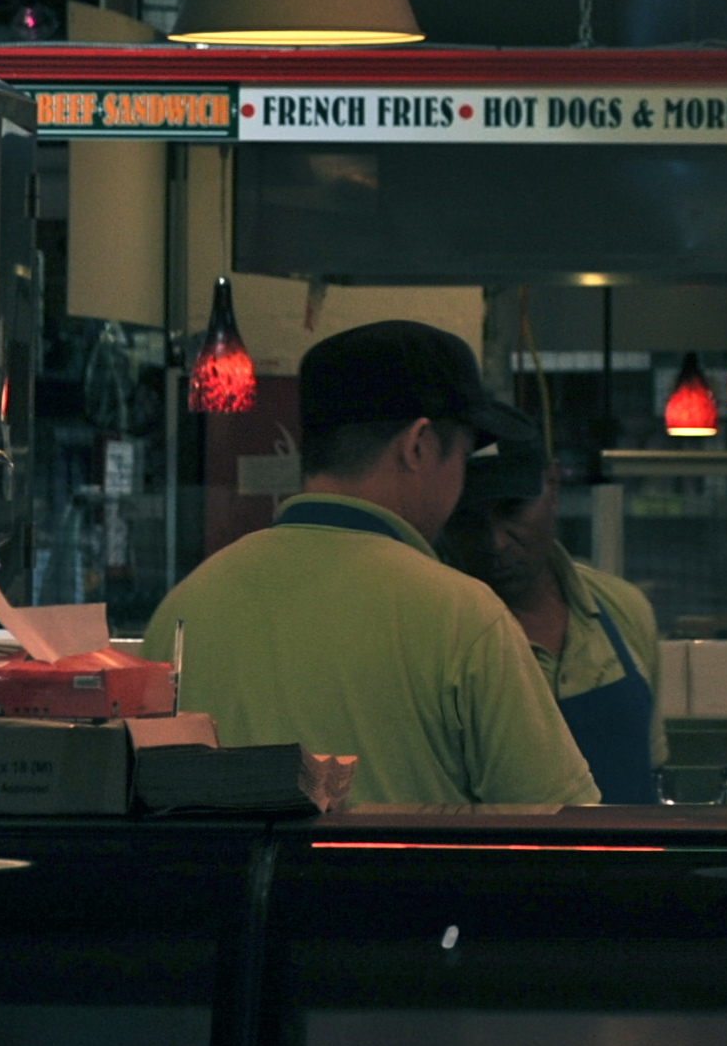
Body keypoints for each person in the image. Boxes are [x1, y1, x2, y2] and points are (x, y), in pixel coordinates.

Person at [142, 321, 598, 810]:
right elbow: (564, 829)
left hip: (221, 889)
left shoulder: (184, 607)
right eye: (463, 455)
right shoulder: (463, 618)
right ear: (419, 445)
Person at [438, 414, 667, 805]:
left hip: (634, 864)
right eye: (469, 520)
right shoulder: (444, 632)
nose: (495, 542)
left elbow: (653, 767)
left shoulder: (621, 609)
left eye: (512, 510)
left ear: (554, 485)